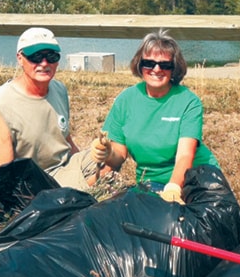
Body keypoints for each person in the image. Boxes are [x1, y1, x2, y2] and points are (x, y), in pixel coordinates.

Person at [91, 29, 220, 204]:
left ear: (174, 68)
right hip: (150, 183)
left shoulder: (189, 101)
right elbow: (119, 155)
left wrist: (174, 187)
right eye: (149, 63)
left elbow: (185, 155)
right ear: (139, 64)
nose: (156, 69)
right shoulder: (126, 99)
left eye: (165, 65)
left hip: (196, 179)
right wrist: (106, 152)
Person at [0, 27, 101, 190]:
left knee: (110, 160)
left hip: (62, 168)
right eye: (35, 56)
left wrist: (86, 161)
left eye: (51, 56)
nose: (44, 63)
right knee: (91, 186)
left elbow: (65, 139)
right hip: (29, 183)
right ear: (20, 58)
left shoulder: (59, 90)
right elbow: (4, 176)